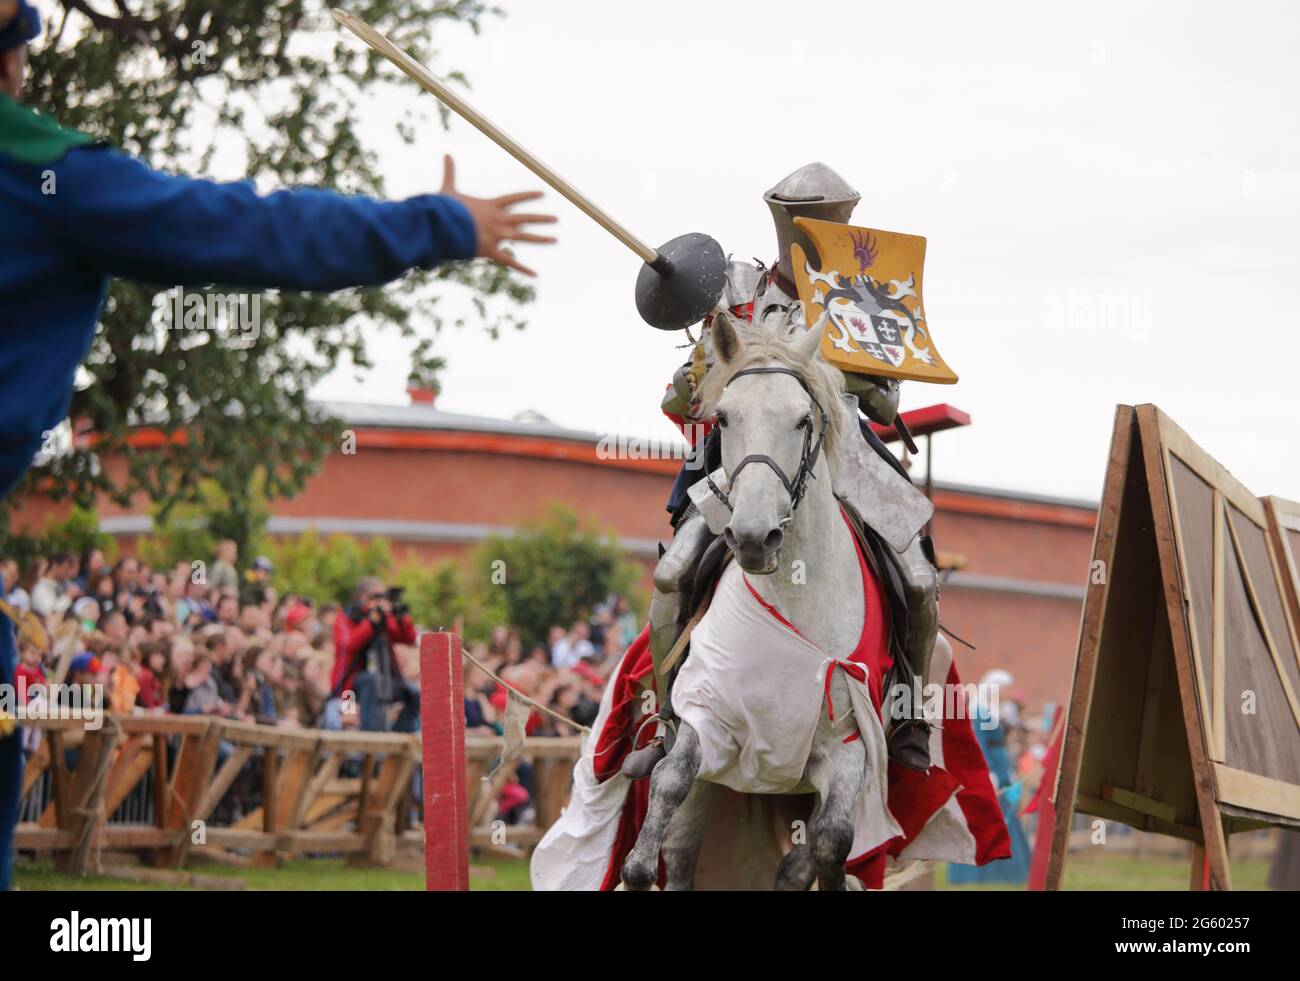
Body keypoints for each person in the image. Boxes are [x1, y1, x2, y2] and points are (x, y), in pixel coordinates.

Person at [621, 162, 940, 779]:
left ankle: (910, 715)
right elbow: (676, 401)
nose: (808, 231)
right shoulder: (736, 291)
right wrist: (697, 379)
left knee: (920, 581)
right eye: (801, 221)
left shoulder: (869, 298)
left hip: (839, 454)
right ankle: (666, 722)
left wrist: (828, 375)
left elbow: (885, 405)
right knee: (672, 574)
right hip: (748, 459)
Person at [329, 578, 418, 732]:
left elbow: (408, 638)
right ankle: (370, 743)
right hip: (348, 689)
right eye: (376, 597)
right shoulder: (345, 617)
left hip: (381, 681)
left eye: (382, 597)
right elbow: (349, 644)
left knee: (413, 693)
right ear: (362, 597)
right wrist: (371, 622)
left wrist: (401, 617)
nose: (380, 601)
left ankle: (399, 738)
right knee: (371, 684)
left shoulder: (383, 619)